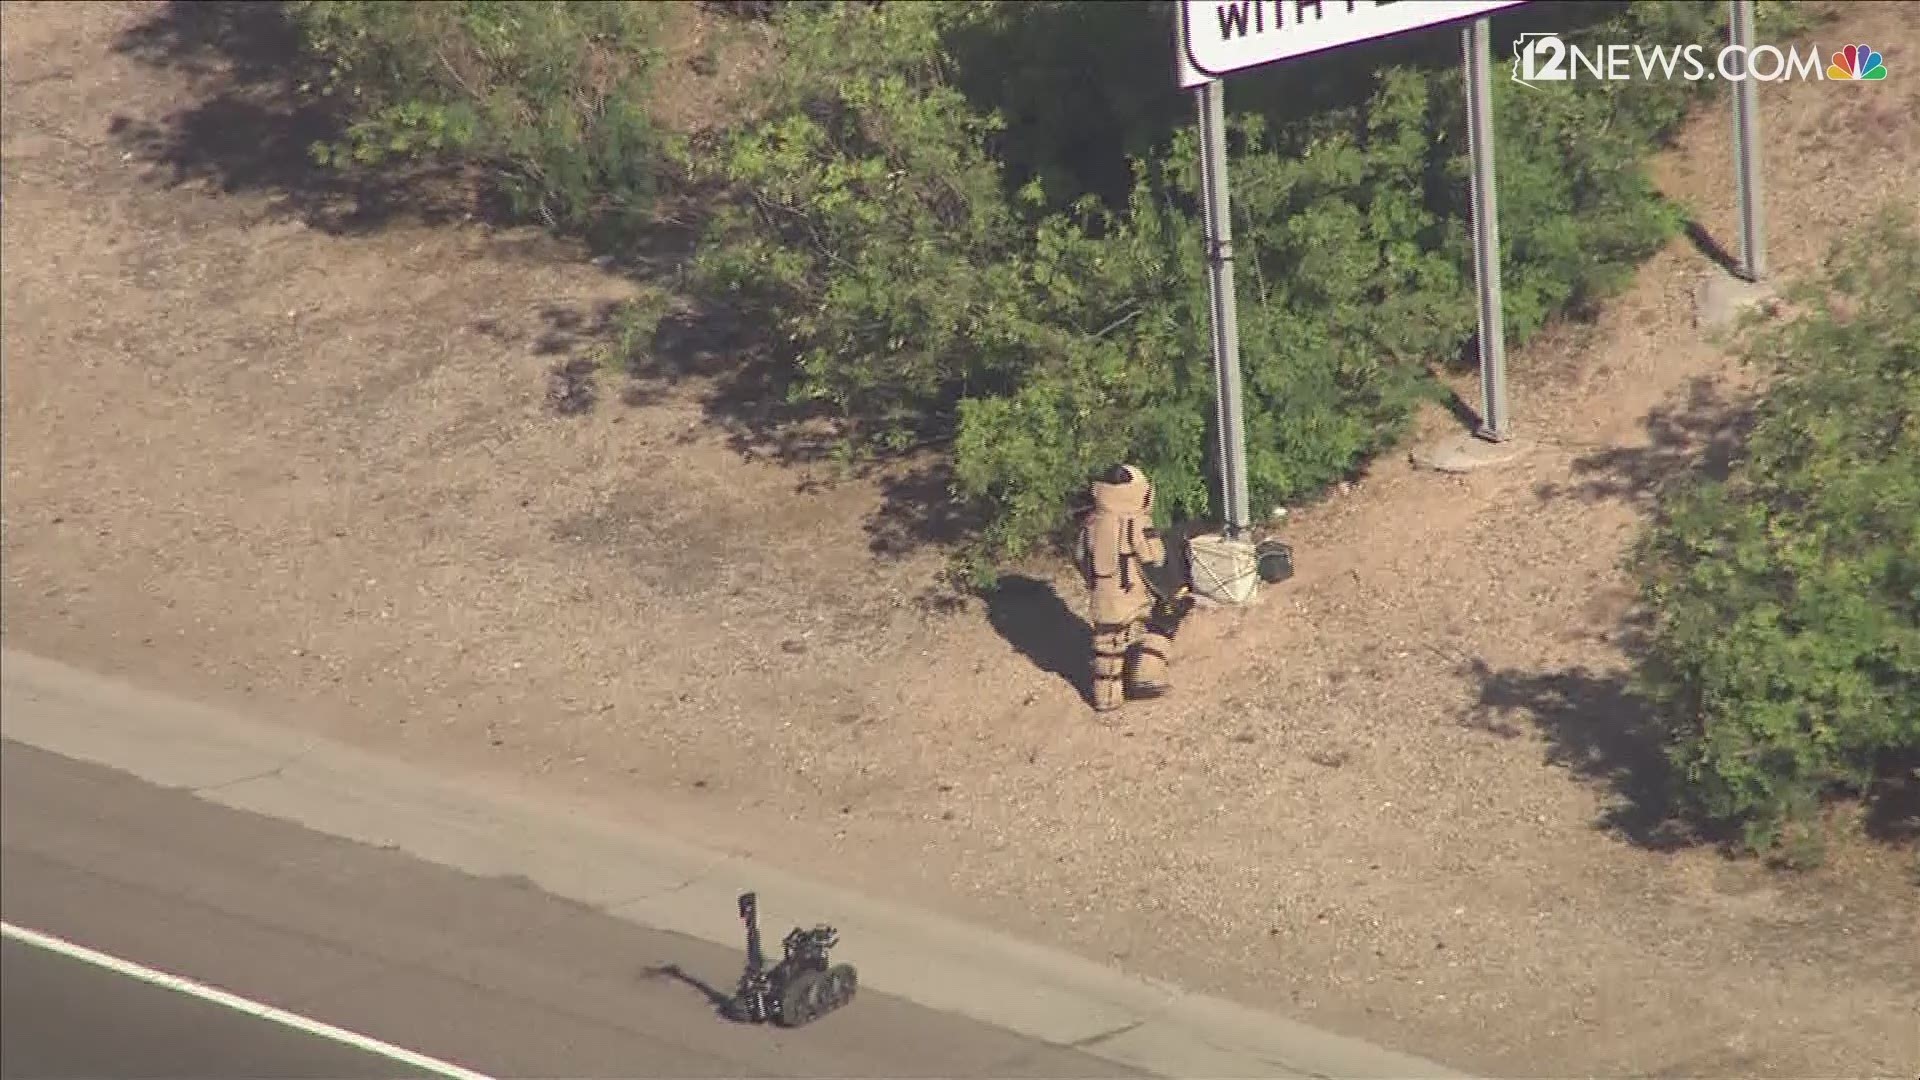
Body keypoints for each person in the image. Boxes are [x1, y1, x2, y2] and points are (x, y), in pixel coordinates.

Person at [1074, 464, 1179, 712]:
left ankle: (1107, 699)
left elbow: (1080, 557)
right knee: (1160, 623)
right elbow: (1154, 557)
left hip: (1102, 597)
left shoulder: (1091, 523)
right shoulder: (1137, 523)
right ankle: (1145, 677)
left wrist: (1095, 582)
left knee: (1107, 649)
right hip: (1132, 596)